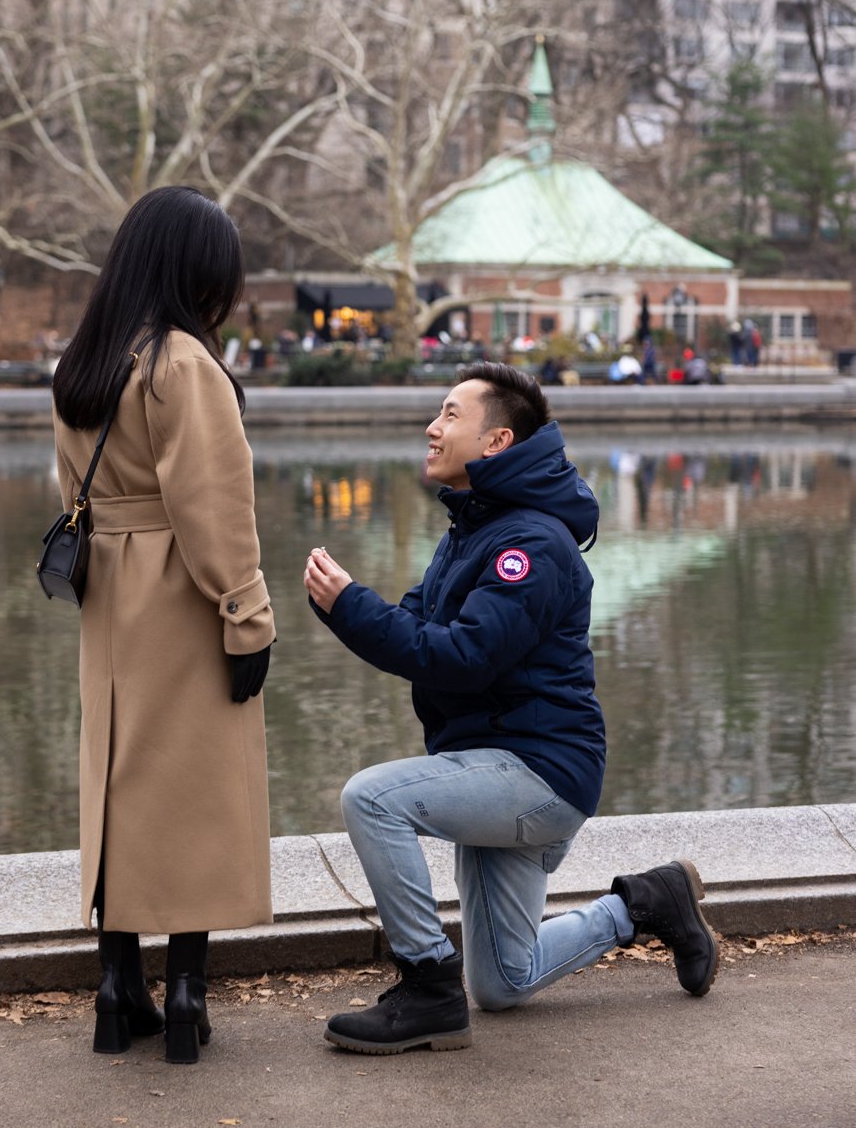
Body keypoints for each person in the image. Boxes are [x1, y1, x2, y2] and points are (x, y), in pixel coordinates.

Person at [304, 362, 718, 1055]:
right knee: (502, 982)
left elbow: (461, 658)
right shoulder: (472, 530)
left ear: (495, 442)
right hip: (489, 765)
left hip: (537, 773)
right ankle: (647, 903)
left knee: (372, 799)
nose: (431, 429)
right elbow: (416, 632)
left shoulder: (531, 544)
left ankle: (426, 985)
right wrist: (348, 608)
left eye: (448, 415)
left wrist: (350, 605)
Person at [51, 186, 275, 1066]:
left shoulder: (86, 360)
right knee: (196, 790)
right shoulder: (184, 362)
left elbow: (69, 494)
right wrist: (247, 615)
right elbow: (215, 506)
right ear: (194, 270)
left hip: (110, 588)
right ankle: (185, 993)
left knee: (116, 778)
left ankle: (117, 988)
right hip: (183, 591)